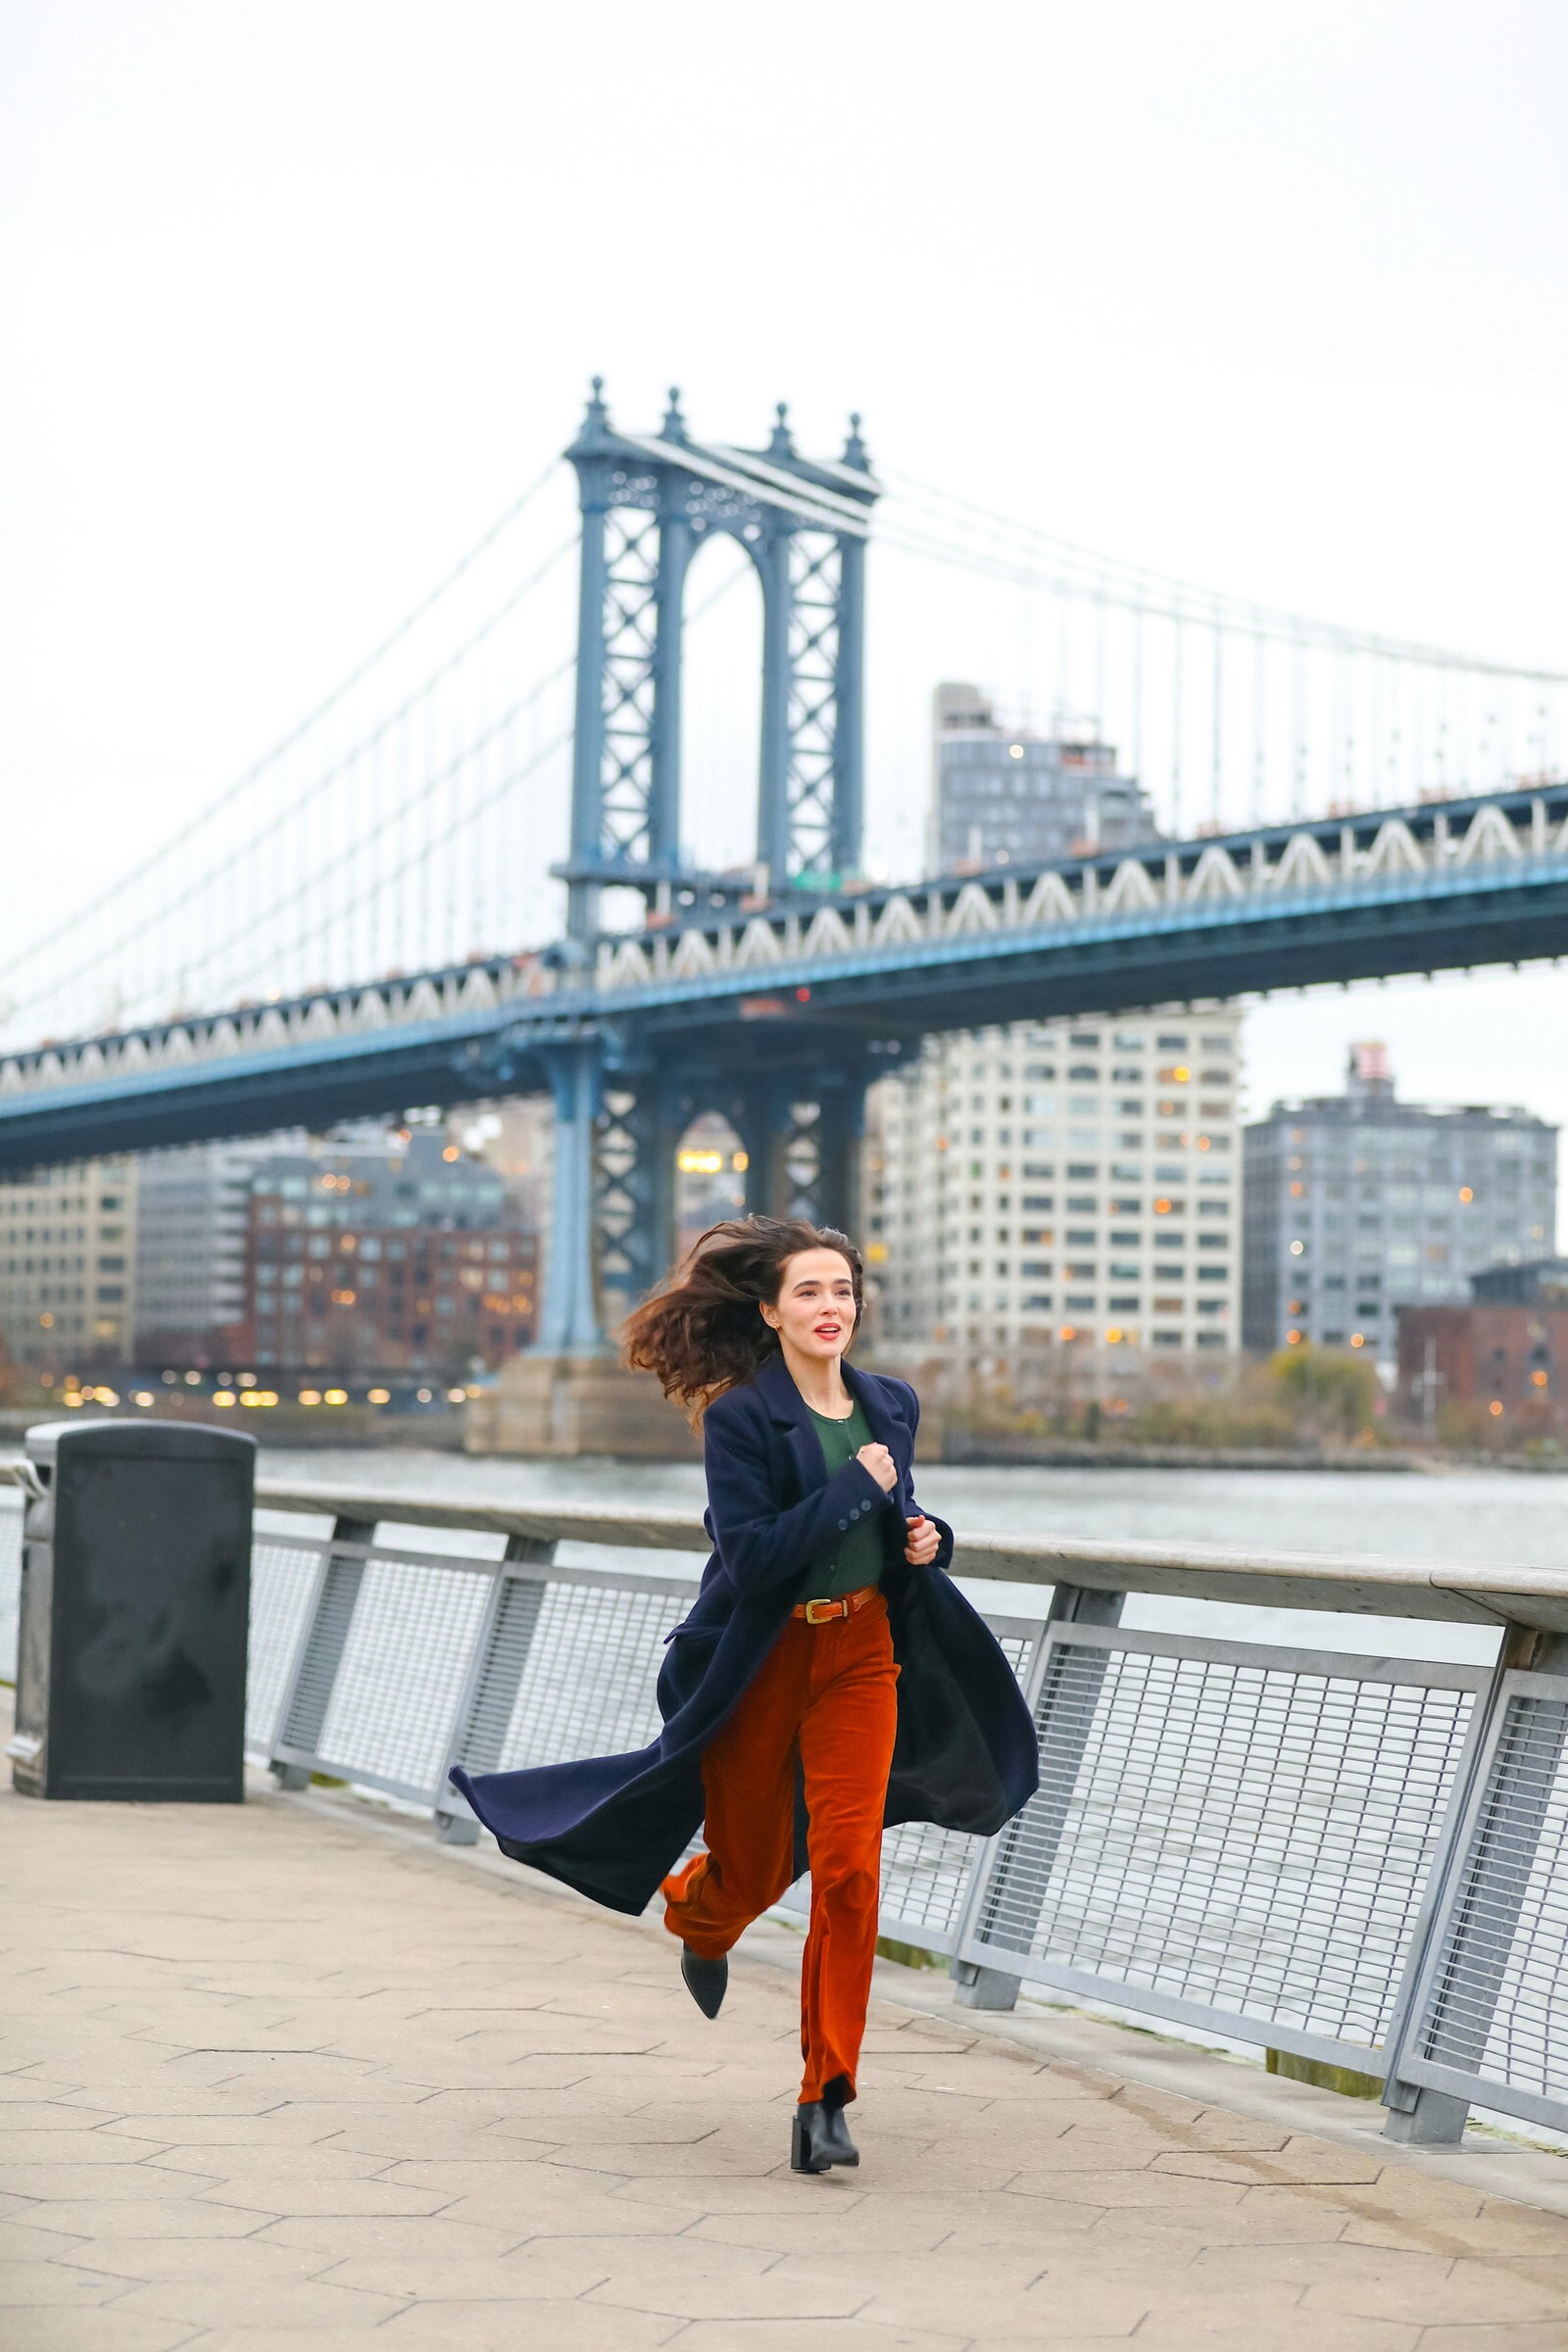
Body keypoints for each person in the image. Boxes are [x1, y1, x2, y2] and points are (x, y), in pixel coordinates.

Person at [451, 1216, 1038, 2175]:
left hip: (862, 1655)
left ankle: (826, 2095)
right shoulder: (740, 1419)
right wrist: (855, 1489)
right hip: (761, 1661)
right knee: (757, 1868)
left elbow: (894, 1515)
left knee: (847, 1870)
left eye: (843, 1291)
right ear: (770, 1312)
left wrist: (929, 1536)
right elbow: (755, 1557)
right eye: (809, 1292)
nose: (830, 1307)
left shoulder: (890, 1403)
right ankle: (699, 1912)